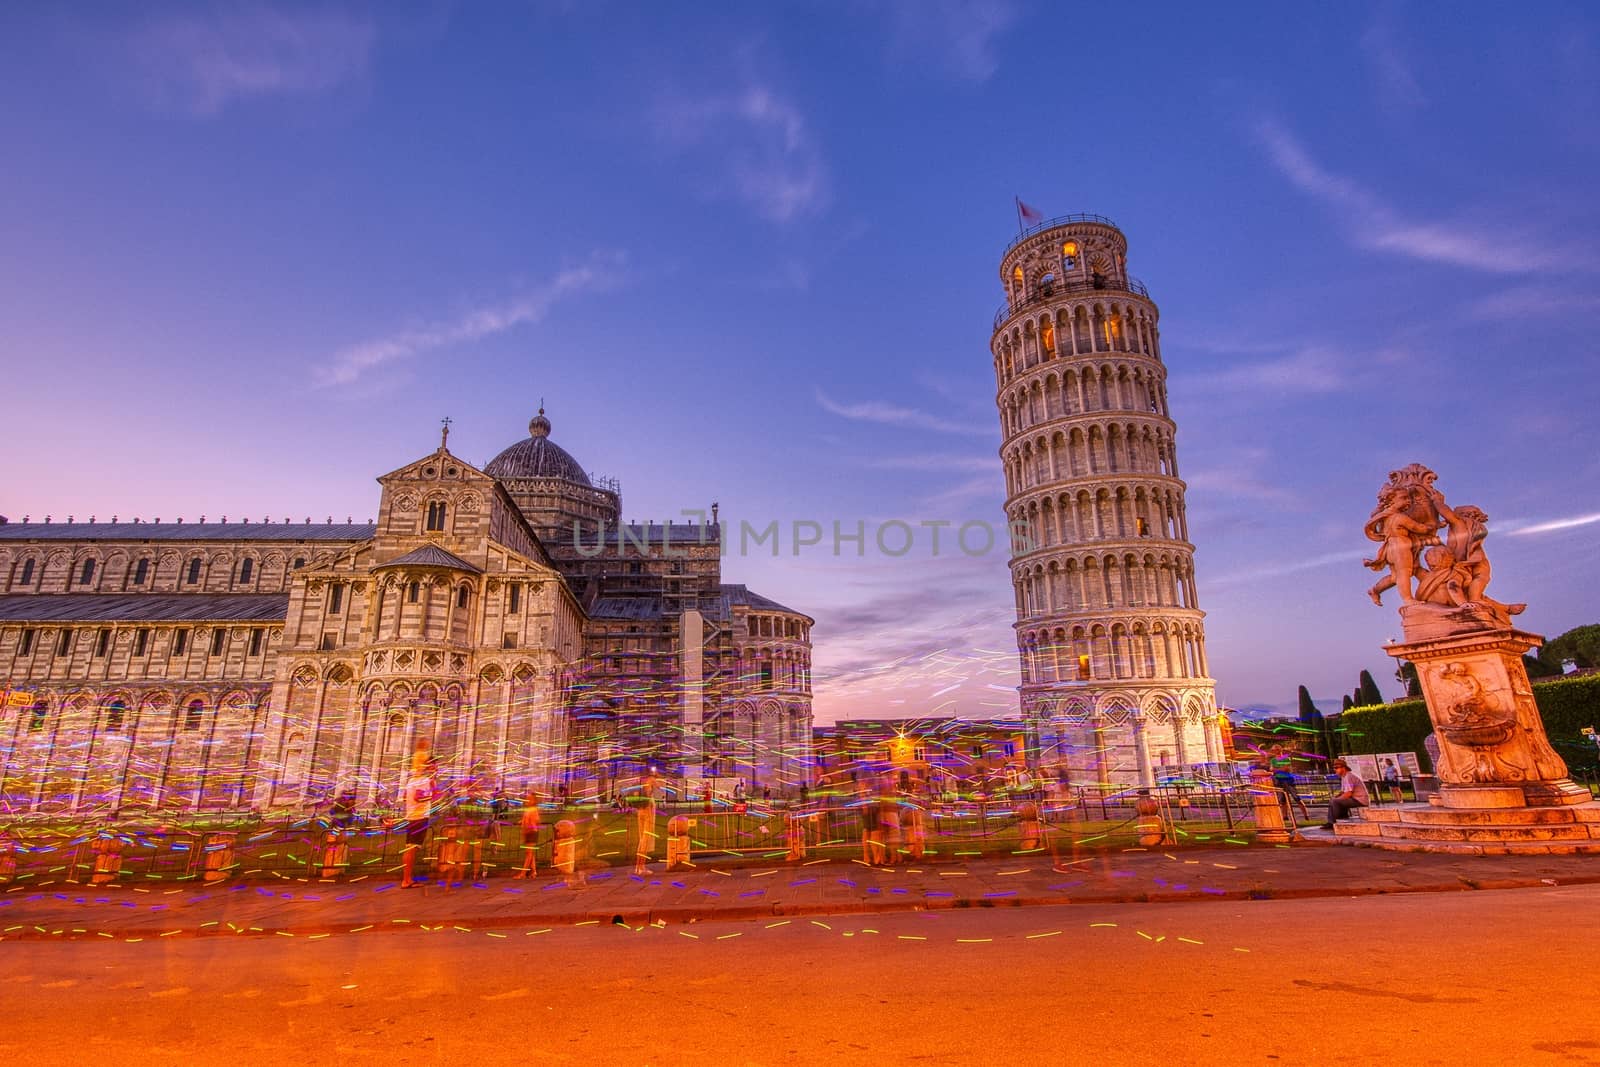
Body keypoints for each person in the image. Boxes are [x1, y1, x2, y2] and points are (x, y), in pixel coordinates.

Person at [399, 761, 437, 888]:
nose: (435, 768)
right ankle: (406, 880)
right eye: (433, 766)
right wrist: (432, 795)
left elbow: (405, 797)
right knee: (412, 849)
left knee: (410, 848)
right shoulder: (423, 780)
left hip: (412, 817)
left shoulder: (412, 780)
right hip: (419, 817)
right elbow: (418, 797)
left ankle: (407, 879)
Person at [1322, 758, 1370, 829]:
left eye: (1337, 768)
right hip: (1355, 799)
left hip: (1360, 800)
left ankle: (1332, 822)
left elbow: (1348, 793)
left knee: (1335, 801)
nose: (1335, 769)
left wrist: (1336, 799)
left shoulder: (1348, 776)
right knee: (1334, 800)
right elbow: (1343, 792)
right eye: (1334, 768)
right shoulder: (1344, 777)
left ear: (1343, 768)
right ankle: (1341, 819)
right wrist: (1336, 797)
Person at [1268, 744, 1309, 821]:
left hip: (1288, 780)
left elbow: (1286, 769)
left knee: (1296, 798)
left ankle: (1306, 815)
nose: (1276, 751)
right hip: (1278, 780)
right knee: (1282, 800)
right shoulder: (1273, 760)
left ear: (1280, 750)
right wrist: (1279, 769)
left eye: (1277, 749)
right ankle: (1285, 816)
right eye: (1274, 750)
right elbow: (1271, 769)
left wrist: (1276, 769)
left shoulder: (1286, 758)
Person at [514, 789, 541, 878]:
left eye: (529, 799)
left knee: (529, 853)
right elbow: (526, 819)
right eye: (527, 799)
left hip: (531, 833)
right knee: (530, 853)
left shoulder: (533, 810)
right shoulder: (529, 809)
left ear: (534, 801)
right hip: (527, 832)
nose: (527, 800)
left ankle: (523, 873)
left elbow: (536, 820)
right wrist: (522, 821)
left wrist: (531, 825)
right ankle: (534, 872)